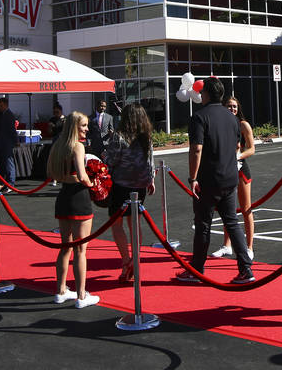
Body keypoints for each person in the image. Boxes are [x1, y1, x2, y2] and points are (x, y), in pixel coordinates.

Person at [175, 77, 254, 285]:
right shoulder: (233, 119)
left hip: (208, 179)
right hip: (230, 177)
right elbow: (237, 146)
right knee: (232, 222)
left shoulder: (199, 117)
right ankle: (245, 268)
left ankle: (197, 270)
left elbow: (196, 149)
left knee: (203, 224)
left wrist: (193, 177)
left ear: (206, 94)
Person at [47, 111, 100, 308]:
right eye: (83, 126)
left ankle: (61, 290)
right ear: (74, 127)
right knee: (80, 250)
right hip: (79, 199)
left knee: (65, 247)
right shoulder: (77, 146)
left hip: (63, 198)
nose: (86, 129)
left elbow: (51, 173)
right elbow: (82, 174)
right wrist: (94, 182)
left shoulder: (58, 145)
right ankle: (81, 296)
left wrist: (68, 178)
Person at [102, 103, 156, 283]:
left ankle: (126, 261)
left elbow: (111, 160)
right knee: (135, 223)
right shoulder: (146, 137)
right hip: (140, 185)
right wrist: (151, 180)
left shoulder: (119, 137)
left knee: (117, 224)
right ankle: (135, 259)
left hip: (121, 184)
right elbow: (151, 160)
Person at [212, 95, 256, 260]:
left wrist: (237, 157)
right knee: (227, 209)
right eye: (229, 106)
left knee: (246, 208)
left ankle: (249, 247)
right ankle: (227, 245)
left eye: (235, 107)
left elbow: (251, 149)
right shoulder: (220, 124)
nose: (232, 109)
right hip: (225, 170)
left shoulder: (243, 125)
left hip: (240, 169)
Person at [0, 97, 18, 190]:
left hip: (7, 143)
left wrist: (15, 141)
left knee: (9, 163)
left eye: (1, 105)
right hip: (4, 142)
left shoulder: (9, 115)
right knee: (6, 163)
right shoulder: (4, 114)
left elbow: (12, 130)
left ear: (5, 105)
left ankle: (11, 183)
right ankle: (8, 183)